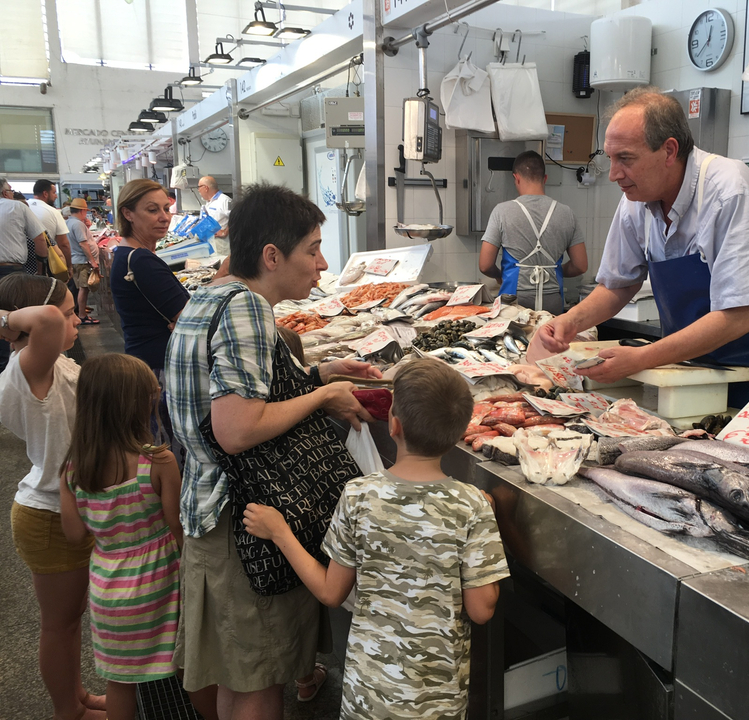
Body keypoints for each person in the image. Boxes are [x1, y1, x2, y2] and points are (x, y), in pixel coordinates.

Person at [164, 183, 381, 720]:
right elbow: (237, 429)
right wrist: (322, 397)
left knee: (238, 675)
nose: (321, 263)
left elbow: (231, 394)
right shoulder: (249, 312)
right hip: (244, 519)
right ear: (270, 256)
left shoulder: (210, 297)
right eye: (312, 248)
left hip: (211, 507)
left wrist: (316, 373)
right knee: (258, 682)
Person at [242, 357, 510, 720]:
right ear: (462, 429)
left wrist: (280, 532)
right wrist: (488, 537)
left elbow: (330, 593)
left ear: (394, 424)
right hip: (438, 701)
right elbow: (482, 610)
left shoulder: (357, 495)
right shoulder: (473, 507)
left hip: (367, 694)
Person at [538, 88, 749, 415]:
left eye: (625, 158)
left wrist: (641, 357)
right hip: (690, 375)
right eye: (610, 159)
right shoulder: (635, 202)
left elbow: (741, 316)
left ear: (669, 150)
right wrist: (570, 322)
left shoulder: (729, 191)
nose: (613, 174)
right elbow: (618, 283)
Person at [57, 353, 218, 720]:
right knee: (190, 668)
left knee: (120, 680)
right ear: (135, 405)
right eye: (151, 395)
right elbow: (178, 528)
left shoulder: (72, 470)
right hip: (162, 581)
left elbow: (73, 533)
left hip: (109, 588)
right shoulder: (157, 461)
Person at [0, 275, 106, 720]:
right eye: (68, 313)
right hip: (46, 514)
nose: (77, 317)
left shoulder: (53, 362)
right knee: (59, 626)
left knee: (71, 620)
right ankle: (69, 711)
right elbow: (43, 317)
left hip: (67, 506)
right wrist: (5, 319)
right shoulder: (28, 368)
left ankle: (77, 695)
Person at [110, 179, 190, 452]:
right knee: (166, 448)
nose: (164, 217)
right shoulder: (141, 260)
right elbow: (189, 317)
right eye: (153, 210)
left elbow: (182, 317)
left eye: (167, 209)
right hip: (158, 368)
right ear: (128, 213)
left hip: (145, 362)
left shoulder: (129, 254)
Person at [479, 150, 588, 314]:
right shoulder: (567, 213)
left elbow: (485, 265)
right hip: (552, 301)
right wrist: (553, 269)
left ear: (516, 178)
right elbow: (580, 265)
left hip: (513, 300)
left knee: (514, 340)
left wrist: (499, 275)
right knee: (549, 338)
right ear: (545, 178)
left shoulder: (502, 211)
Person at [0, 178, 48, 372]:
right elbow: (39, 238)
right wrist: (40, 270)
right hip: (11, 271)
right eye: (11, 190)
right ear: (4, 192)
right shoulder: (17, 208)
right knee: (13, 321)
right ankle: (13, 372)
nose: (12, 193)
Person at [65, 199, 101, 325]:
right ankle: (82, 315)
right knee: (84, 288)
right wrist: (92, 261)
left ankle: (80, 312)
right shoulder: (77, 224)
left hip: (76, 260)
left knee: (81, 288)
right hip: (82, 261)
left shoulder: (69, 222)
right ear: (82, 210)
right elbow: (83, 244)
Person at [29, 179, 72, 279]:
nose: (56, 196)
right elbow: (63, 244)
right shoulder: (53, 212)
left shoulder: (23, 207)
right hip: (48, 264)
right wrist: (69, 266)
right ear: (45, 194)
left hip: (23, 265)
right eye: (54, 193)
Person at [197, 176, 230, 252]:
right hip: (210, 243)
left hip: (221, 245)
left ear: (206, 188)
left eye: (199, 187)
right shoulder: (208, 202)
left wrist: (225, 231)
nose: (198, 190)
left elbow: (237, 217)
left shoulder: (224, 200)